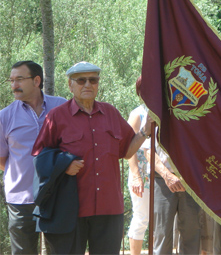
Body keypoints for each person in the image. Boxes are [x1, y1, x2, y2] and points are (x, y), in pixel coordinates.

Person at [32, 61, 151, 255]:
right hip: (69, 210)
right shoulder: (56, 117)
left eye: (93, 80)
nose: (87, 84)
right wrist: (63, 165)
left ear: (98, 83)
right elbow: (39, 158)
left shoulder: (111, 113)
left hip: (109, 208)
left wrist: (145, 130)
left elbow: (127, 151)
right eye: (81, 80)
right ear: (71, 85)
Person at [0, 61, 66, 254]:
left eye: (19, 79)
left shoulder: (60, 106)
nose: (14, 85)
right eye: (11, 80)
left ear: (37, 80)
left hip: (57, 196)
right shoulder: (5, 116)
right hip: (20, 200)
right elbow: (3, 160)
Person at [143, 127, 201, 255]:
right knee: (162, 233)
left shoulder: (197, 112)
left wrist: (189, 174)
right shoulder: (157, 112)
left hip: (191, 180)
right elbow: (148, 150)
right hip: (161, 179)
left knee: (192, 233)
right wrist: (167, 175)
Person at [127, 77, 151, 255]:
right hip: (142, 174)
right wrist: (136, 175)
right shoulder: (138, 114)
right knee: (141, 217)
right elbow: (129, 147)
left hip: (160, 174)